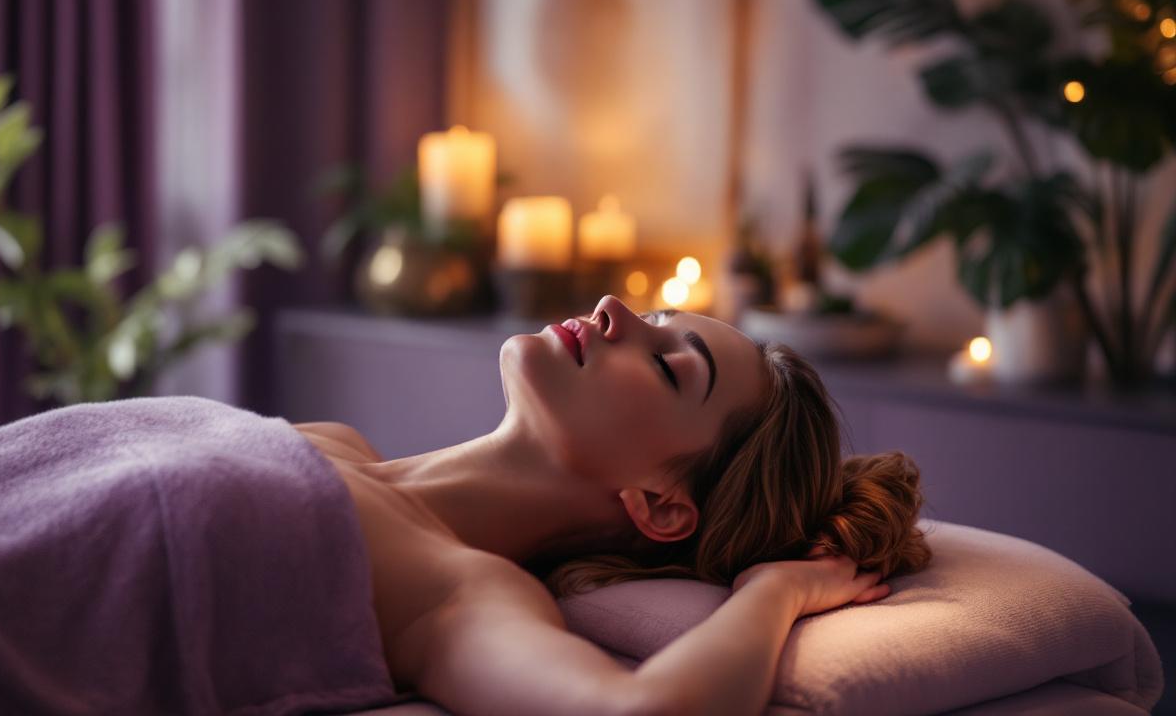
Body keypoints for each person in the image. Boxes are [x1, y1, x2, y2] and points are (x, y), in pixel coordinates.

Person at [300, 294, 931, 715]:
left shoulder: (454, 595)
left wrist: (774, 593)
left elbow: (641, 710)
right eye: (653, 317)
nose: (611, 308)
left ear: (662, 507)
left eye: (667, 367)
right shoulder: (333, 440)